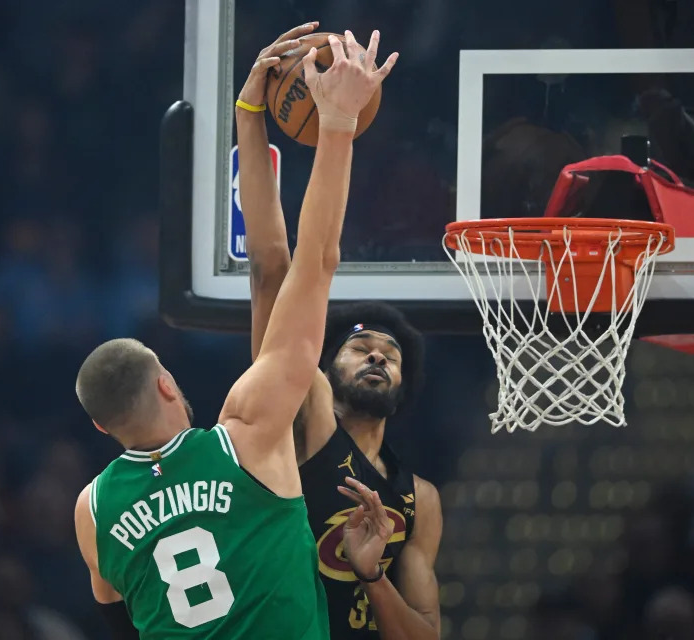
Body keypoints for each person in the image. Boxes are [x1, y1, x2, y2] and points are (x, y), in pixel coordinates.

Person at [72, 29, 399, 640]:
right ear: (168, 384)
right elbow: (306, 263)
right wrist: (335, 122)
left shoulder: (90, 510)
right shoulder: (251, 430)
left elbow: (274, 266)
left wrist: (253, 115)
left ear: (100, 425)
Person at [236, 22, 441, 640]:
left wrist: (371, 573)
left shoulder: (419, 499)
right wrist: (251, 115)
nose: (378, 355)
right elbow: (275, 267)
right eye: (359, 346)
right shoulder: (301, 421)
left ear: (404, 388)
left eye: (390, 355)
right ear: (321, 370)